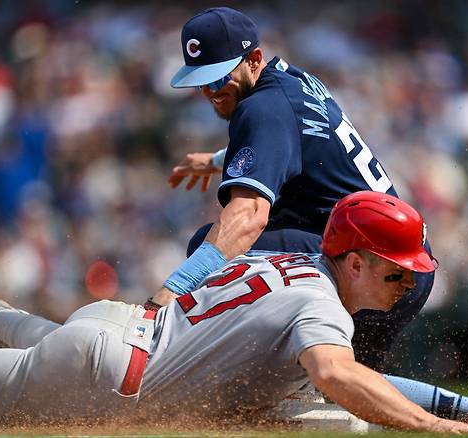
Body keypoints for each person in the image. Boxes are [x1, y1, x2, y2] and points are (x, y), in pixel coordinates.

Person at [0, 192, 468, 431]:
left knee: (44, 348)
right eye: (396, 270)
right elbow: (338, 377)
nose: (406, 283)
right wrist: (441, 427)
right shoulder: (323, 308)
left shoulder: (281, 265)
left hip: (111, 329)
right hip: (102, 374)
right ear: (355, 261)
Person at [151, 6, 431, 371]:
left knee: (210, 244)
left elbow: (248, 217)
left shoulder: (263, 109)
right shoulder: (294, 80)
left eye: (219, 78)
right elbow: (295, 142)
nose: (209, 91)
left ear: (253, 59)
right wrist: (218, 159)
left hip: (371, 266)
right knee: (348, 386)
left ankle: (209, 366)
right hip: (402, 259)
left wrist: (168, 295)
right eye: (200, 82)